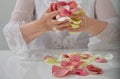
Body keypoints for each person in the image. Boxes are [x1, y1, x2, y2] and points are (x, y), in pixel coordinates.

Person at [3, 0, 120, 57]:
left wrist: (89, 24)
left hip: (85, 67)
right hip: (38, 67)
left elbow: (117, 32)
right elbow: (10, 35)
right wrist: (40, 25)